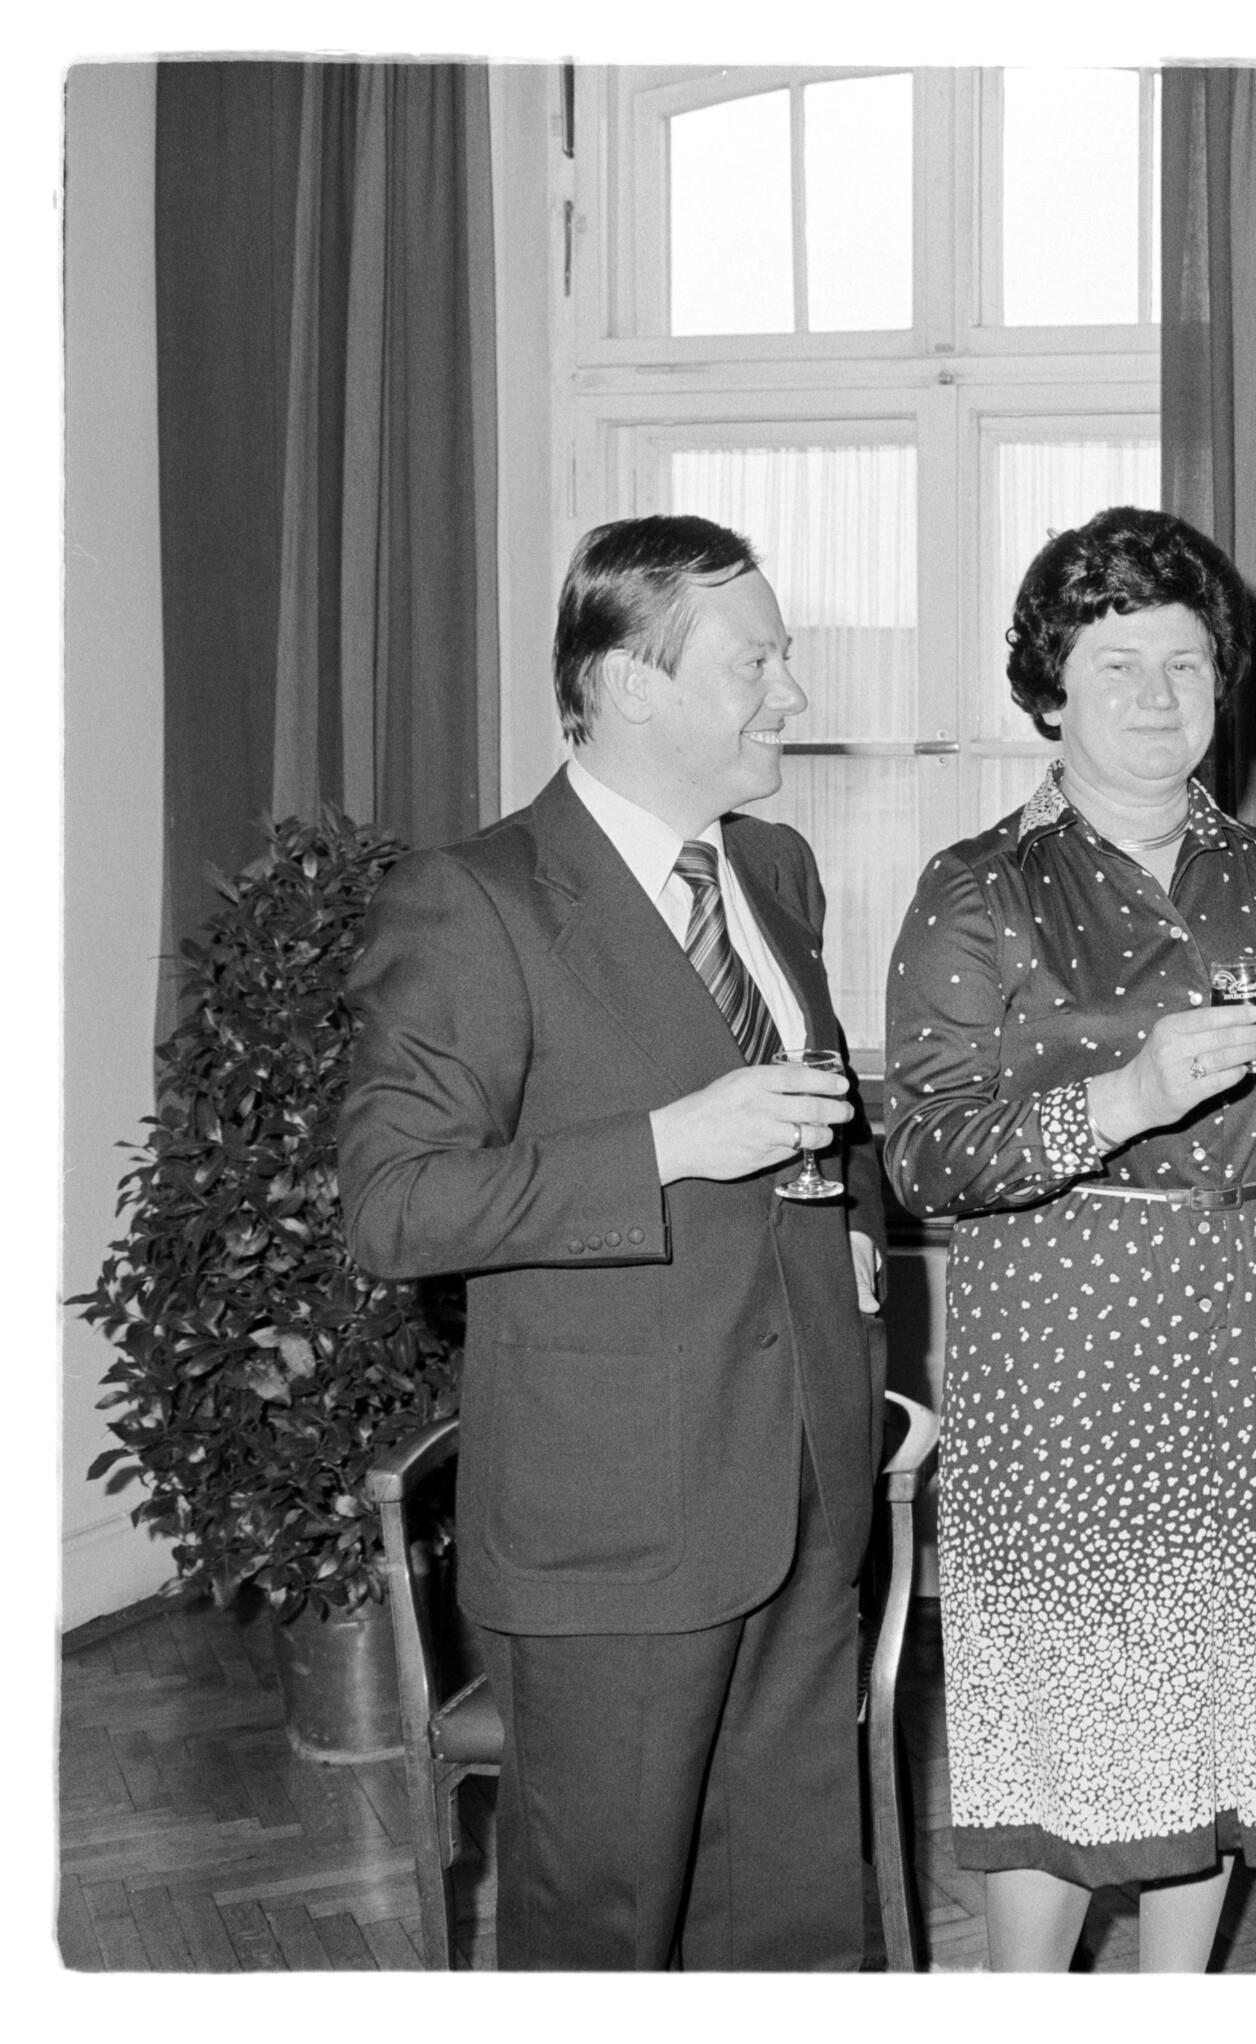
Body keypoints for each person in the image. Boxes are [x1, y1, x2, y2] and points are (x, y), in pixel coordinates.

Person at [342, 514, 884, 1969]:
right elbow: (394, 1207)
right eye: (757, 663)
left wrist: (853, 1251)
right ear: (632, 684)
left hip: (805, 1479)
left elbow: (814, 1122)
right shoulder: (475, 900)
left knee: (790, 1925)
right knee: (606, 1933)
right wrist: (662, 1145)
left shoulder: (774, 869)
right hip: (616, 1527)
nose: (792, 693)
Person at [882, 506, 1256, 1973]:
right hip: (1070, 1350)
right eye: (1118, 666)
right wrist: (1121, 1098)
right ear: (1051, 693)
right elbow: (923, 1155)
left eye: (1186, 664)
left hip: (1254, 1337)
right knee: (1073, 1727)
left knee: (1220, 1711)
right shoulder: (978, 885)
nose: (1160, 697)